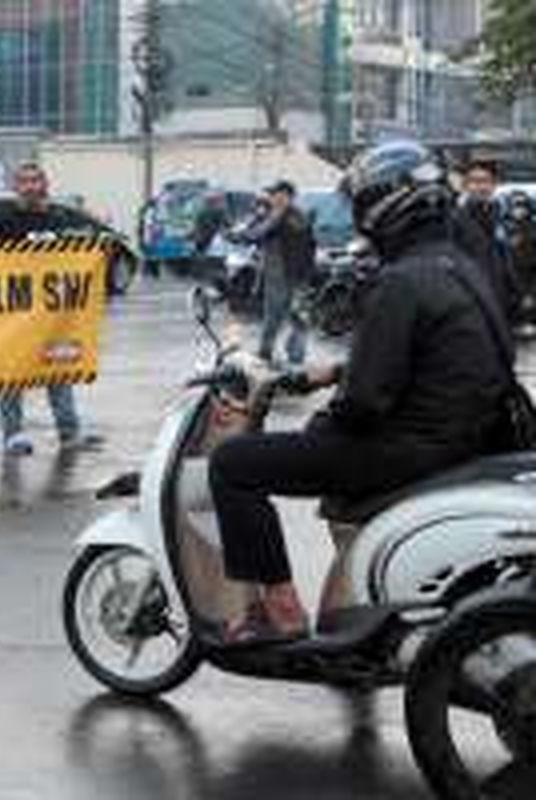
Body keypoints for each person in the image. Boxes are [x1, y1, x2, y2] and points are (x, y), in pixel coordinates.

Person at [208, 141, 510, 645]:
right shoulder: (460, 268)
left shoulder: (401, 282)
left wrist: (325, 420)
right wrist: (329, 373)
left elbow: (364, 402)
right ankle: (348, 610)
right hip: (458, 437)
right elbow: (429, 353)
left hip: (409, 449)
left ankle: (278, 611)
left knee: (235, 464)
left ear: (383, 207)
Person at [0, 161, 103, 456]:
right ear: (15, 187)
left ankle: (69, 433)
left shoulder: (56, 220)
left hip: (51, 315)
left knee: (59, 370)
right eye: (24, 181)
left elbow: (74, 258)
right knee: (12, 373)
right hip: (14, 313)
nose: (31, 186)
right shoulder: (3, 222)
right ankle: (13, 435)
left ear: (45, 184)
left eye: (36, 181)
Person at [235, 180, 315, 366]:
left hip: (284, 275)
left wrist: (240, 235)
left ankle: (272, 354)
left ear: (286, 196)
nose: (271, 197)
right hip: (292, 275)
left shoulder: (285, 216)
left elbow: (257, 234)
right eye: (271, 194)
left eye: (275, 194)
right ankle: (289, 356)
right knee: (294, 317)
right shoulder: (290, 215)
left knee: (281, 316)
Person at [452, 159, 518, 320]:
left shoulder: (499, 216)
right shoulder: (456, 219)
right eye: (474, 182)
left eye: (486, 181)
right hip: (472, 299)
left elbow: (506, 257)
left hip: (500, 297)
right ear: (465, 185)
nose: (481, 187)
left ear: (494, 185)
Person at [504, 191, 536, 325]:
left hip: (528, 278)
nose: (519, 210)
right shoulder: (502, 229)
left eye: (522, 206)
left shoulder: (532, 230)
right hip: (508, 282)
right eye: (516, 206)